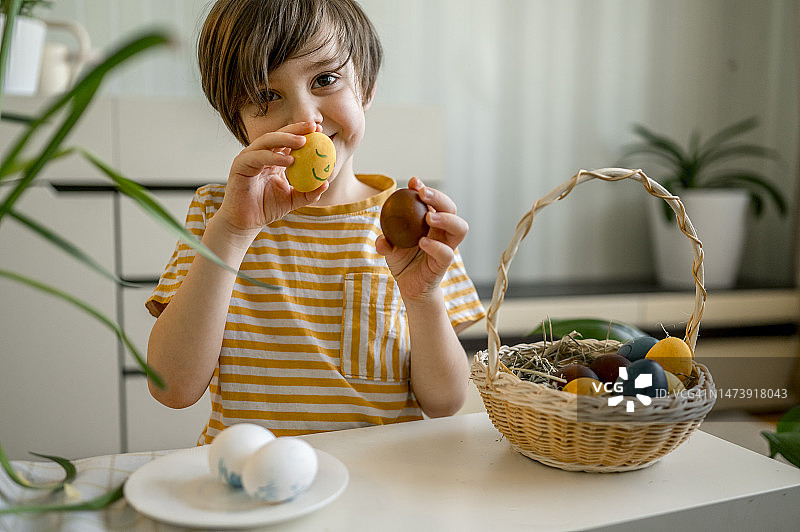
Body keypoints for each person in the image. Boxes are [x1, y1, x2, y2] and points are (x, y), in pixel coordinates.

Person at [145, 0, 485, 443]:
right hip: (250, 485)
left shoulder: (412, 227)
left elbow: (445, 403)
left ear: (366, 87)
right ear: (238, 120)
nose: (306, 118)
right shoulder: (218, 215)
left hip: (381, 487)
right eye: (267, 96)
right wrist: (231, 233)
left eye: (325, 79)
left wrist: (422, 298)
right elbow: (172, 388)